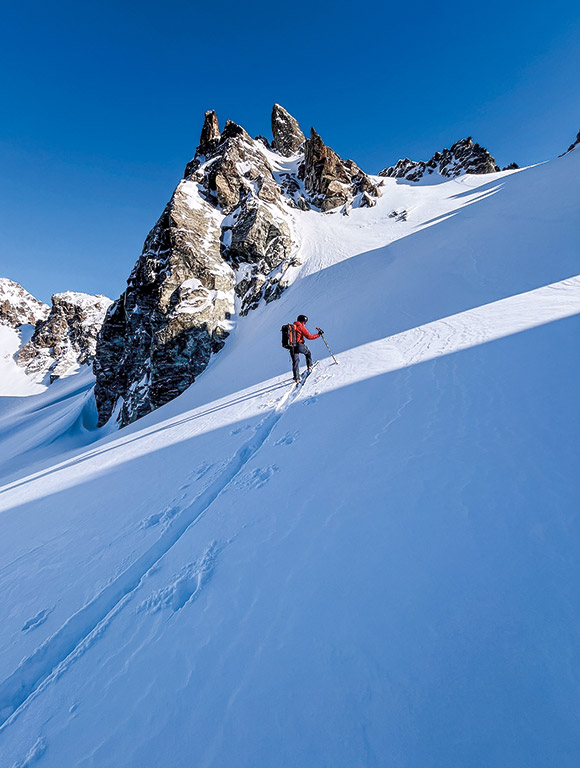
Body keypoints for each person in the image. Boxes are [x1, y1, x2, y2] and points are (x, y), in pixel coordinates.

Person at [290, 315, 324, 383]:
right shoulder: (301, 327)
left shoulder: (292, 327)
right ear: (302, 321)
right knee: (308, 353)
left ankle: (296, 378)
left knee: (295, 362)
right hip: (299, 345)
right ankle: (309, 367)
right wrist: (318, 334)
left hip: (291, 346)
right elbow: (309, 336)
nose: (305, 323)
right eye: (305, 322)